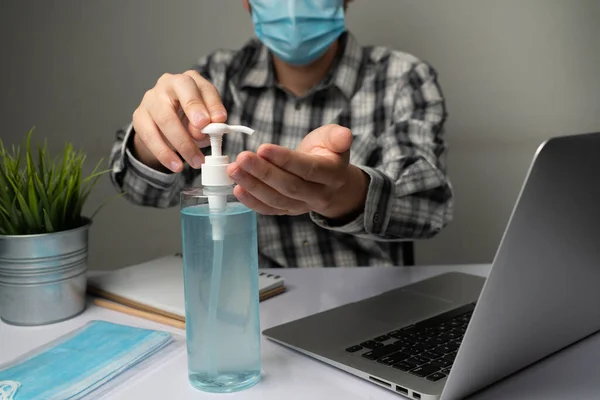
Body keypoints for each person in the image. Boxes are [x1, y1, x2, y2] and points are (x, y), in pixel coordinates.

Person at [109, 0, 453, 268]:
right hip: (246, 301)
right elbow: (141, 191)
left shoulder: (401, 78)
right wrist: (153, 143)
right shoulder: (213, 77)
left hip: (367, 309)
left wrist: (343, 192)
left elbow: (429, 207)